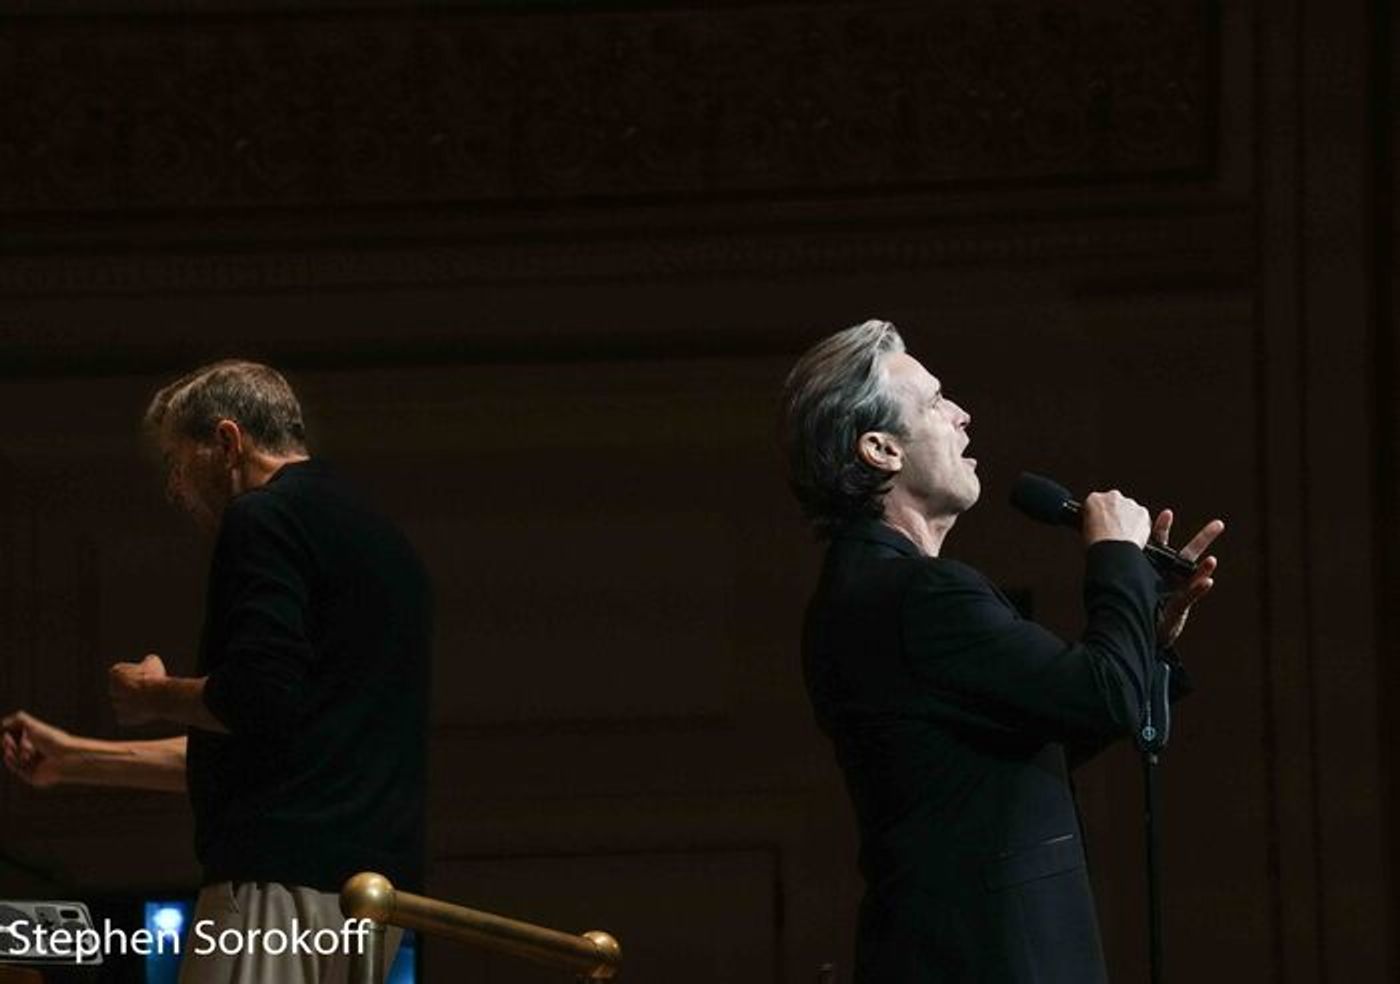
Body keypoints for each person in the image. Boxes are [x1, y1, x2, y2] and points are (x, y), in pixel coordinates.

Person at [781, 321, 1223, 983]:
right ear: (879, 448)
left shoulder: (870, 590)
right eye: (933, 403)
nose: (962, 415)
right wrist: (1114, 557)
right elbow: (1102, 697)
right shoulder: (918, 596)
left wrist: (1146, 630)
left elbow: (1031, 743)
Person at [2, 361, 431, 983]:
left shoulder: (263, 517)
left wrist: (151, 694)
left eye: (179, 461)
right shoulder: (385, 543)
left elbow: (254, 699)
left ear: (229, 442)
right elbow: (280, 741)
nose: (175, 486)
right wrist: (76, 758)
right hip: (371, 903)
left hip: (276, 891)